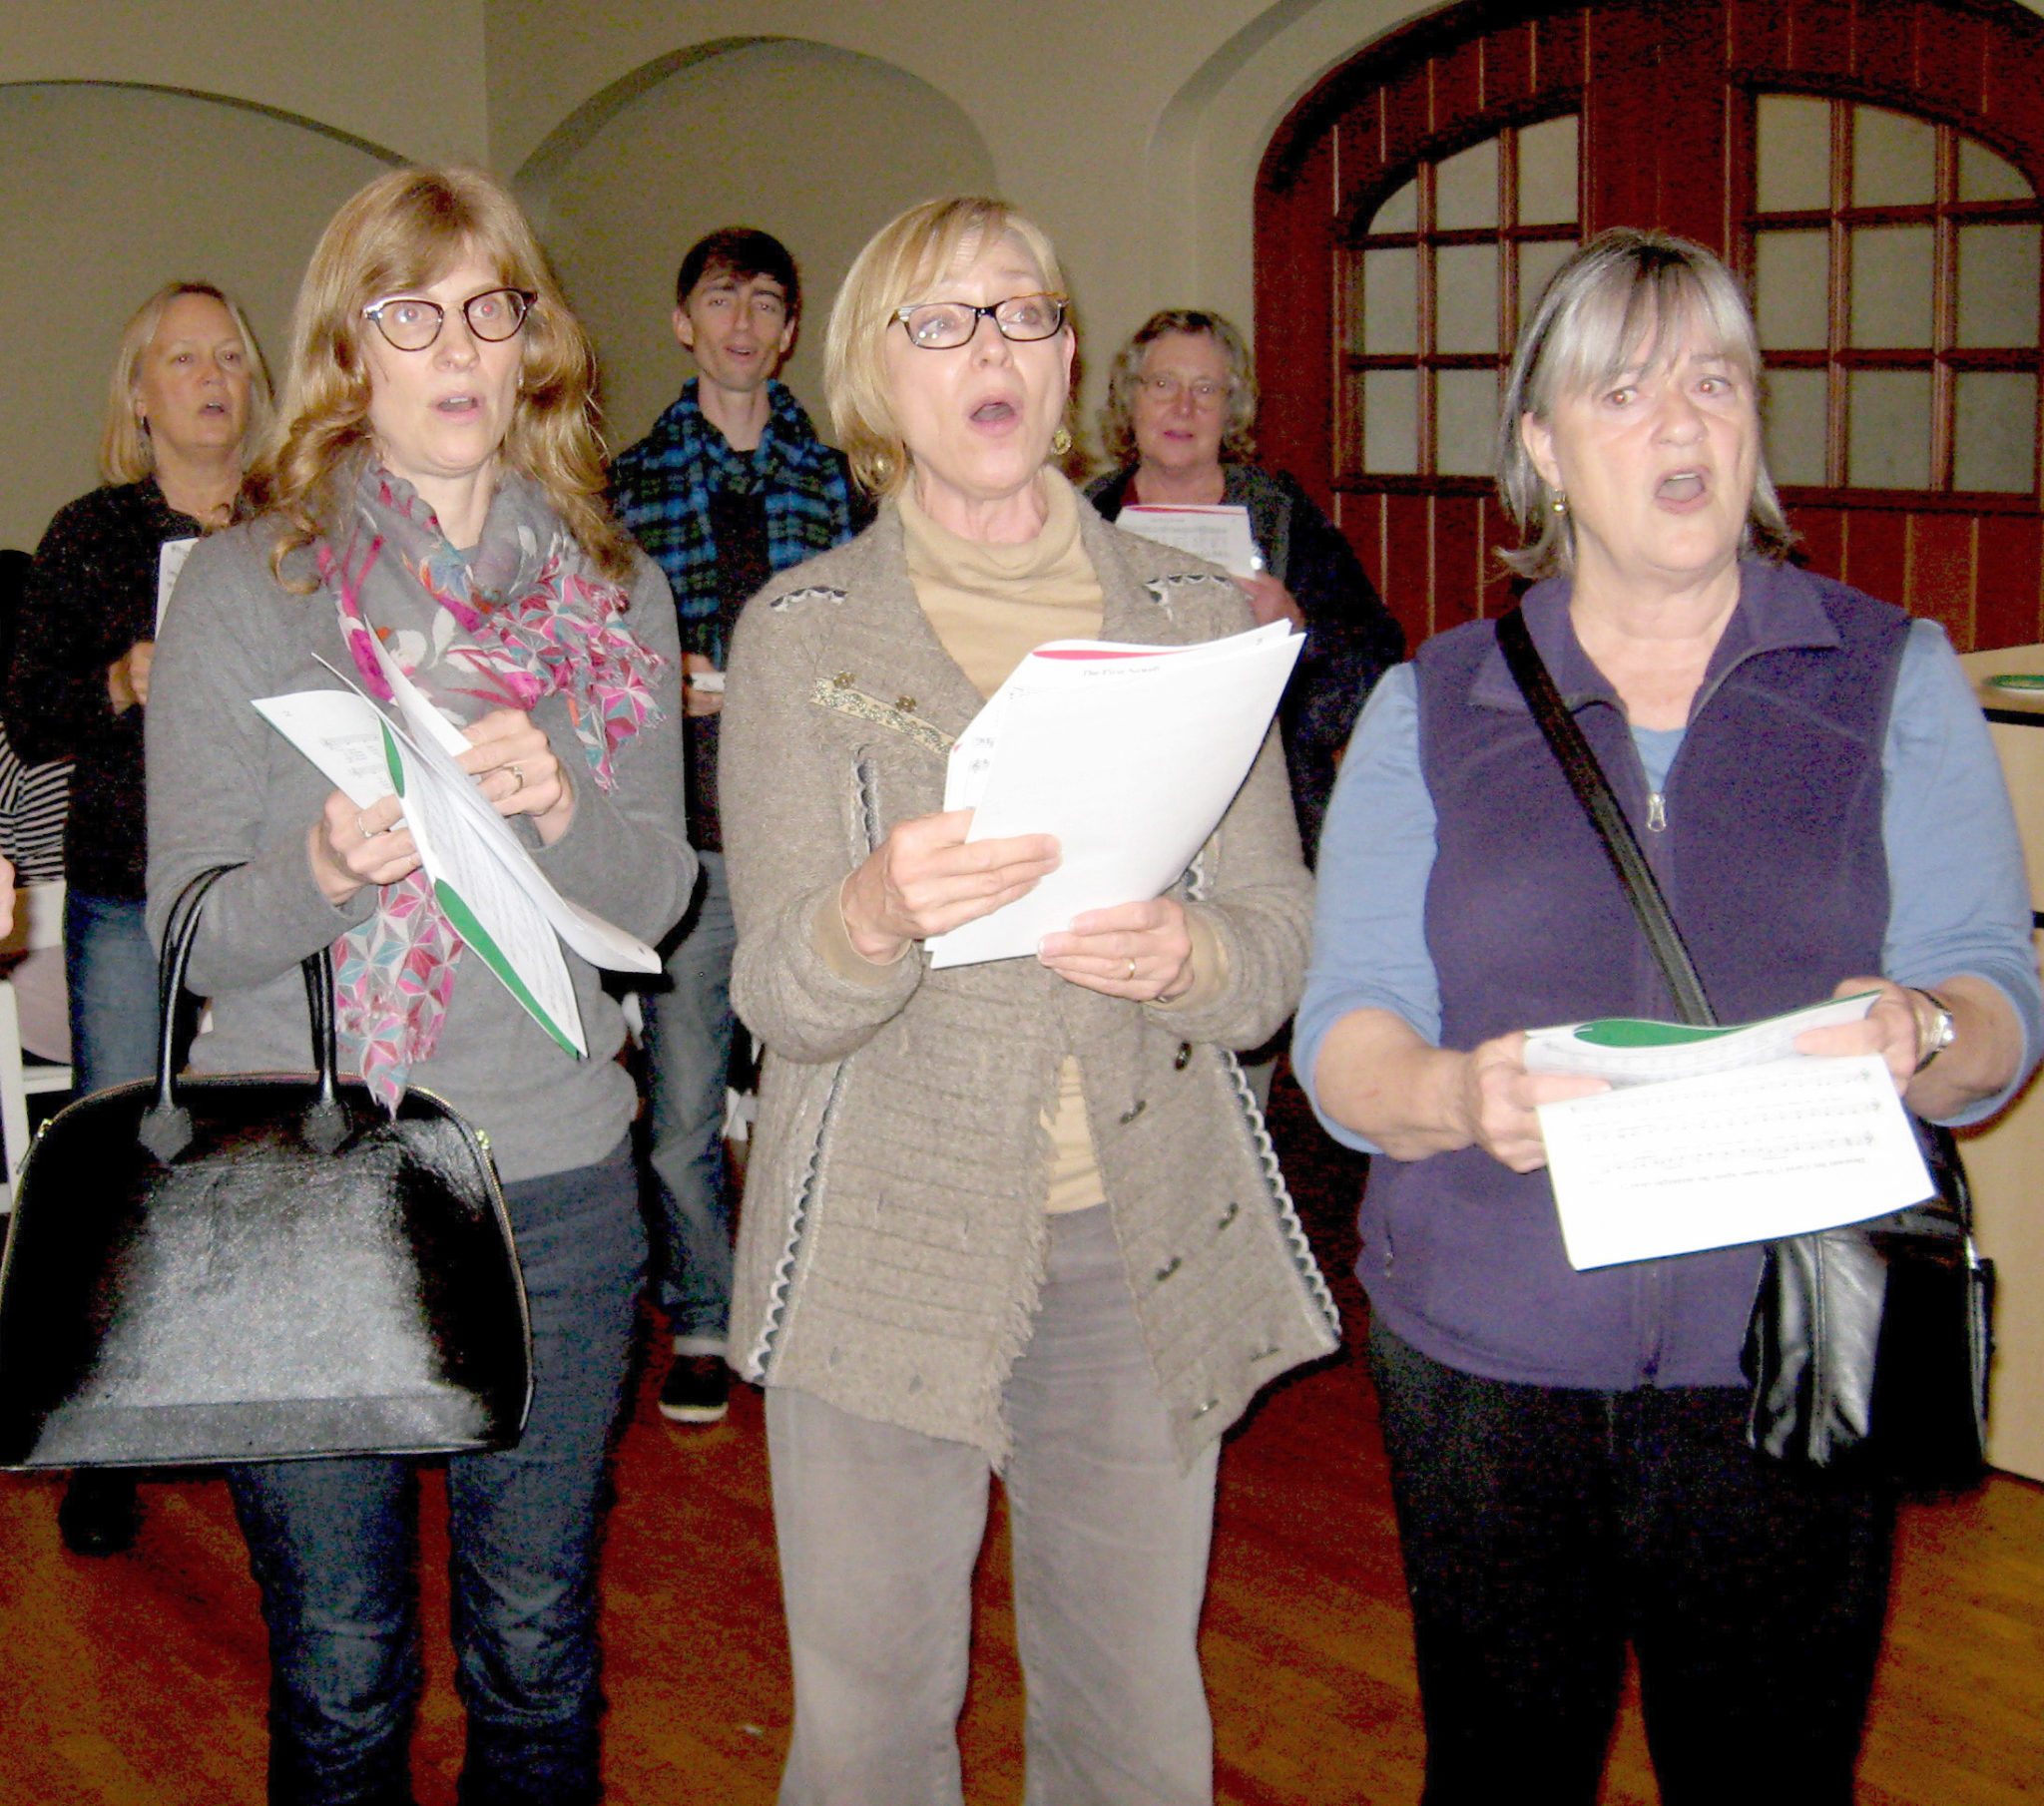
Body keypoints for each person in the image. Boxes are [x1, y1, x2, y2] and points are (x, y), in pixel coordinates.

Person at [1294, 226, 2044, 1804]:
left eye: (1715, 379)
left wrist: (1927, 1024)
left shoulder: (1887, 676)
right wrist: (1452, 1096)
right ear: (1543, 450)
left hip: (1775, 1357)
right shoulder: (1434, 702)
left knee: (1770, 1771)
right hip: (1489, 1358)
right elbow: (1347, 1031)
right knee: (1502, 1766)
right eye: (1624, 390)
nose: (1684, 423)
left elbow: (1997, 1005)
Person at [721, 195, 1339, 1806]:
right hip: (879, 1235)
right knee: (866, 1732)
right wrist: (866, 917)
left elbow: (1274, 946)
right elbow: (777, 997)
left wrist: (1189, 957)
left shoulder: (1194, 617)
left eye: (1019, 314)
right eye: (940, 321)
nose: (987, 349)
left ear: (1065, 356)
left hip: (1126, 1236)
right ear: (878, 373)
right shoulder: (800, 636)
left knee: (1133, 1722)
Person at [146, 166, 691, 1806]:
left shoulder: (612, 592)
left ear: (534, 345)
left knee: (534, 1642)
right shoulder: (252, 589)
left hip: (554, 1187)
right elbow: (179, 928)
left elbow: (658, 897)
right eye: (410, 312)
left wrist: (557, 809)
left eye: (489, 307)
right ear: (348, 352)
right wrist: (312, 872)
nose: (455, 348)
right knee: (339, 1659)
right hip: (308, 1182)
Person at [9, 279, 271, 1557]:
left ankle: (270, 1389)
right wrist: (118, 678)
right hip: (129, 881)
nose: (212, 376)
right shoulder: (90, 534)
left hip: (282, 887)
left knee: (271, 1146)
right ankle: (109, 1434)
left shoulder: (301, 521)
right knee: (123, 1149)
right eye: (185, 357)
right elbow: (30, 715)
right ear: (142, 390)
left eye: (230, 354)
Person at [610, 226, 867, 1428]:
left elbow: (880, 668)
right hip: (688, 835)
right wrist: (653, 685)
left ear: (790, 329)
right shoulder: (617, 486)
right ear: (683, 321)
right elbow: (583, 672)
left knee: (825, 1088)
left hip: (811, 831)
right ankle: (703, 1311)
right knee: (678, 1105)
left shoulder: (842, 481)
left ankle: (811, 1301)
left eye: (768, 303)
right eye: (721, 299)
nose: (743, 324)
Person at [1086, 307, 1405, 863]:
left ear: (1230, 409)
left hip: (1258, 814)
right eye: (1162, 384)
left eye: (1205, 389)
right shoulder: (1085, 517)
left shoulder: (1282, 518)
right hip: (1114, 807)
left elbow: (1375, 658)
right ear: (1130, 399)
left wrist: (1299, 634)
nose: (1182, 408)